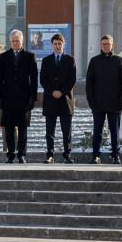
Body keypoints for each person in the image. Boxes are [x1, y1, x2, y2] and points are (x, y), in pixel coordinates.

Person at [0, 29, 38, 163]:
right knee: (8, 128)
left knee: (23, 128)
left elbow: (34, 79)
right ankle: (11, 154)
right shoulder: (3, 57)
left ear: (22, 42)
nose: (15, 43)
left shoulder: (30, 56)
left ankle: (21, 154)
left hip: (24, 99)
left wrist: (32, 98)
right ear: (10, 42)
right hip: (7, 98)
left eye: (17, 41)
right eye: (13, 41)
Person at [86, 35, 122, 164]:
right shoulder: (94, 61)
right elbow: (89, 83)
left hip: (115, 104)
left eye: (108, 44)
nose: (105, 46)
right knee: (97, 131)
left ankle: (115, 155)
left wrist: (121, 101)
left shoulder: (119, 61)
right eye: (103, 44)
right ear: (100, 45)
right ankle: (95, 156)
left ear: (112, 45)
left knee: (114, 132)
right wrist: (91, 102)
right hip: (98, 104)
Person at [40, 33, 76, 164]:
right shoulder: (46, 60)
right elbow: (43, 80)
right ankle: (50, 155)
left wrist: (61, 91)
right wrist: (52, 91)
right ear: (52, 45)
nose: (57, 46)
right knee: (50, 131)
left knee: (66, 131)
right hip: (50, 100)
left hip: (65, 100)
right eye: (55, 43)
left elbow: (72, 80)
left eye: (59, 43)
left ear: (63, 44)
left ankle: (67, 155)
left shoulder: (70, 60)